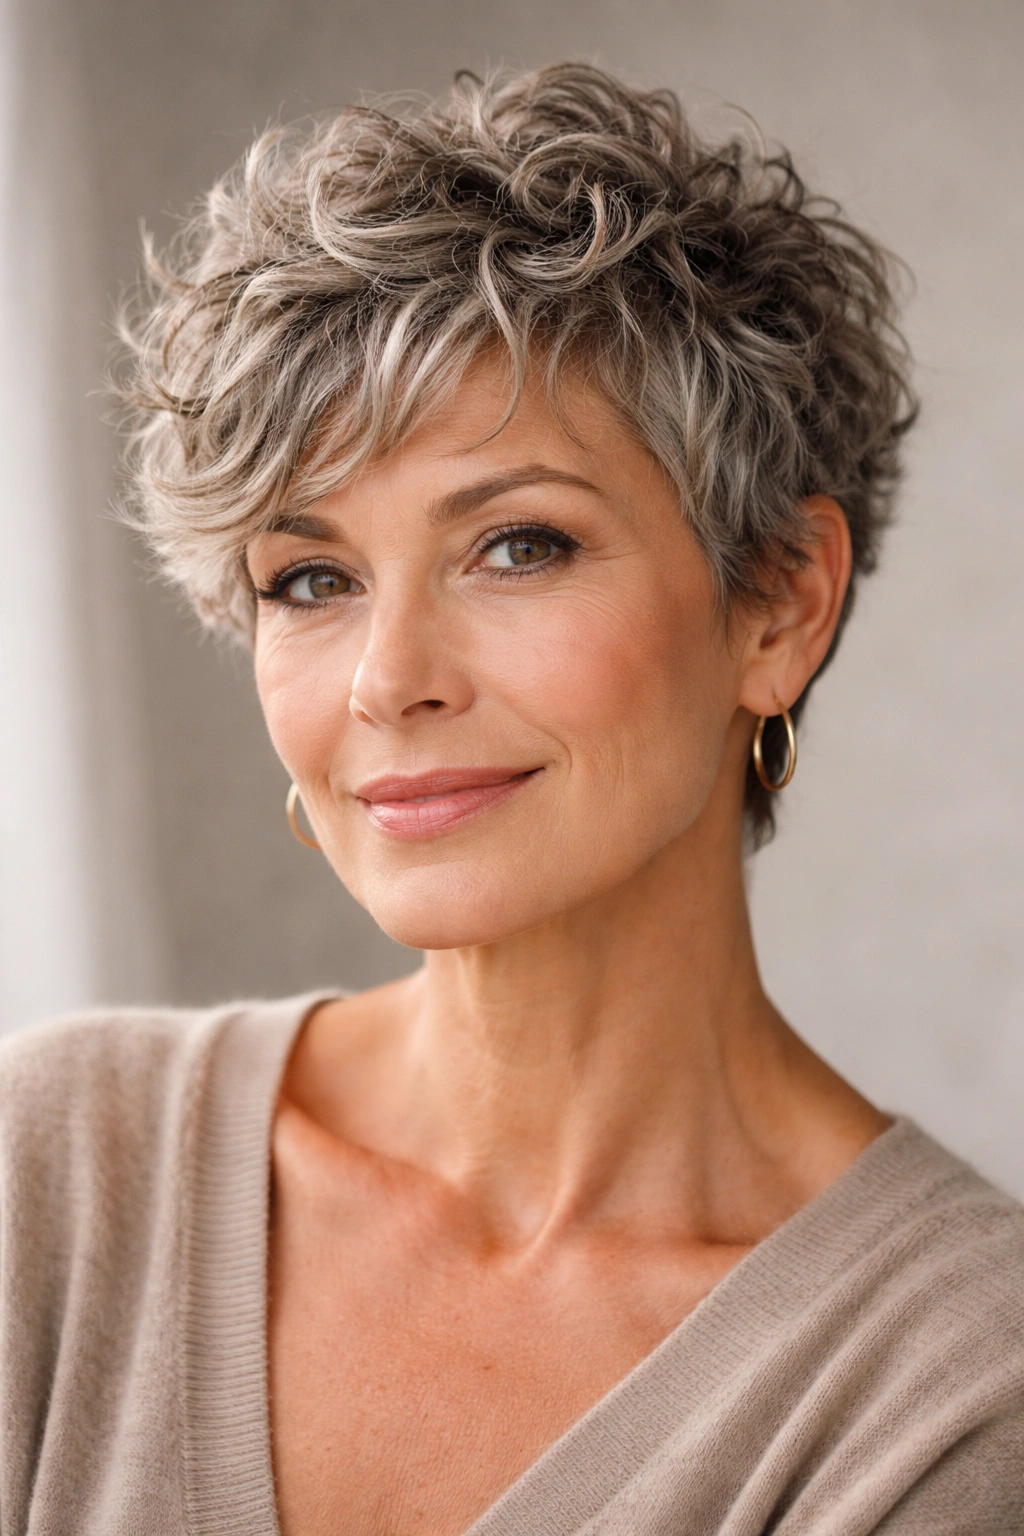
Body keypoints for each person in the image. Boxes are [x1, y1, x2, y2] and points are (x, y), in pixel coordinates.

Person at [1, 63, 1020, 1536]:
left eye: (519, 546)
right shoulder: (57, 1174)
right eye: (311, 580)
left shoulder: (956, 1391)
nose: (385, 679)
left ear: (780, 603)